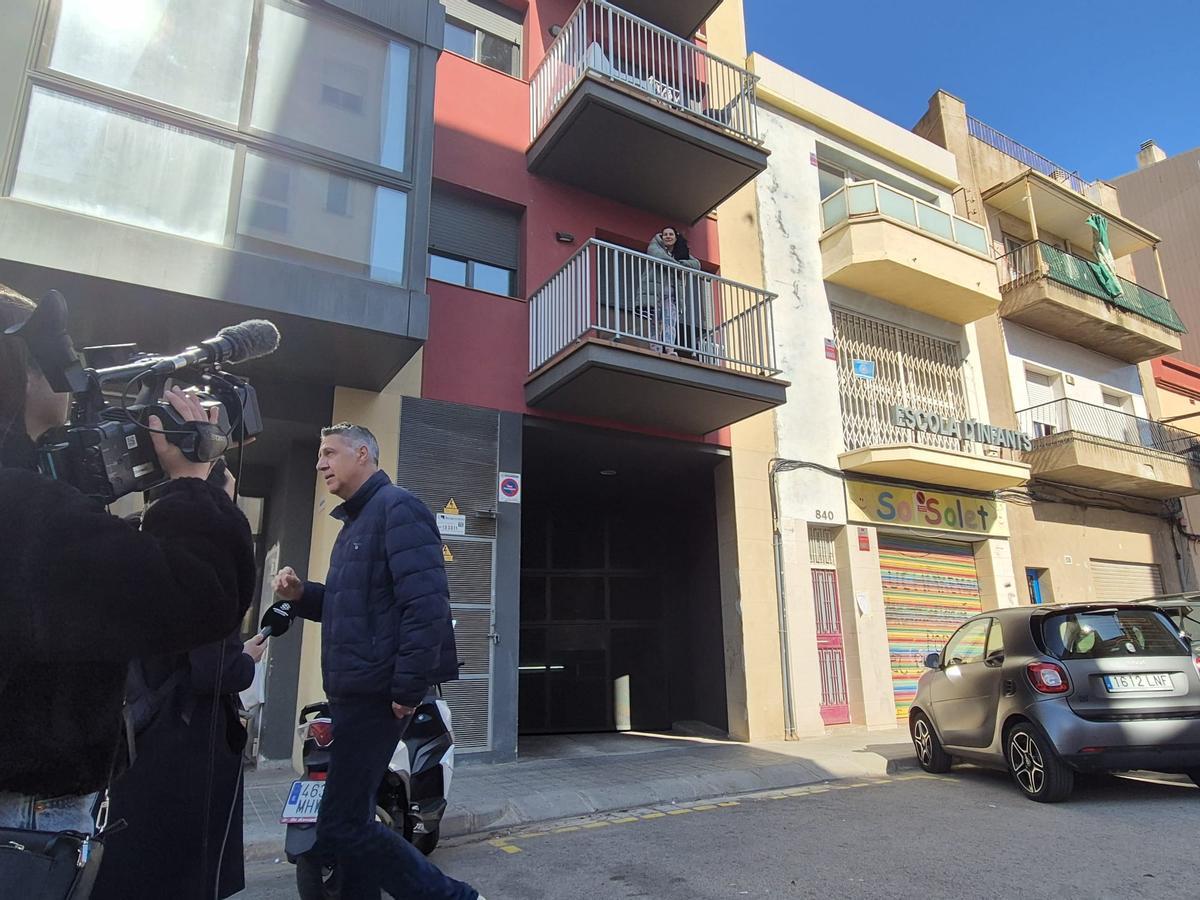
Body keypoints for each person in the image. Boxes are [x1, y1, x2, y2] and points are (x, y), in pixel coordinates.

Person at [0, 284, 256, 839]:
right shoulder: (23, 508)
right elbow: (197, 595)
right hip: (23, 814)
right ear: (21, 376)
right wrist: (192, 486)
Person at [264, 423, 482, 900]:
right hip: (352, 692)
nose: (320, 464)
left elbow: (426, 606)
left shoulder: (398, 508)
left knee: (340, 824)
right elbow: (350, 608)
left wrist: (407, 689)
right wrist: (302, 595)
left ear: (362, 455)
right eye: (319, 455)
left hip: (378, 695)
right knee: (354, 819)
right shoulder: (355, 524)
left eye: (329, 453)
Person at [91, 466, 268, 900]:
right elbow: (214, 669)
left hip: (137, 736)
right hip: (185, 749)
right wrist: (246, 658)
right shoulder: (205, 573)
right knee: (181, 873)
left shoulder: (137, 548)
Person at [639, 226, 702, 355]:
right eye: (665, 234)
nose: (668, 236)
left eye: (671, 234)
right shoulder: (655, 246)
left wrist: (682, 263)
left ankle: (669, 350)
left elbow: (697, 265)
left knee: (670, 322)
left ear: (675, 237)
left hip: (672, 295)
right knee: (655, 323)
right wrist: (677, 265)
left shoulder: (680, 253)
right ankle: (655, 350)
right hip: (655, 293)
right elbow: (659, 257)